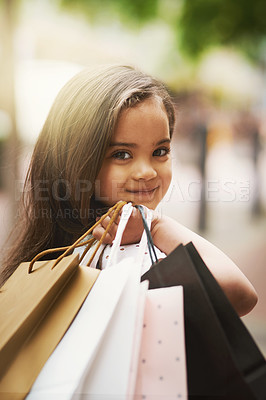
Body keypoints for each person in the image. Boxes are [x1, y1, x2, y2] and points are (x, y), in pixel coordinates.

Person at [0, 64, 257, 316]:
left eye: (160, 151)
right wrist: (156, 226)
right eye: (122, 154)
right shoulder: (129, 255)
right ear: (74, 161)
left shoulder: (46, 259)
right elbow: (240, 293)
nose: (147, 171)